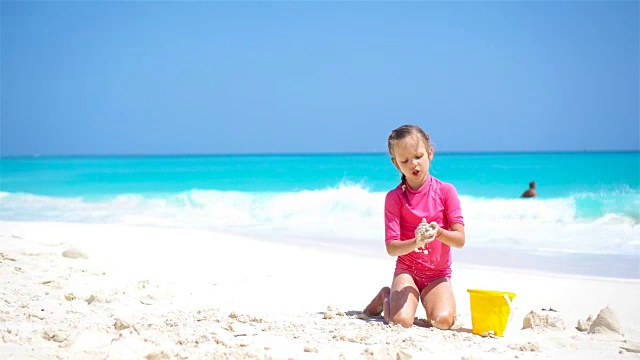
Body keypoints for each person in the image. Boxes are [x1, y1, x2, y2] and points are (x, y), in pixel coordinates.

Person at [363, 124, 465, 330]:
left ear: (430, 153)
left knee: (443, 322)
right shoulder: (395, 198)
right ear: (396, 164)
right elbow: (392, 248)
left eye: (418, 156)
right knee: (400, 321)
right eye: (405, 160)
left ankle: (429, 299)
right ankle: (387, 295)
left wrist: (438, 233)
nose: (413, 164)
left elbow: (460, 240)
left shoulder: (446, 191)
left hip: (437, 275)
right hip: (407, 271)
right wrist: (416, 242)